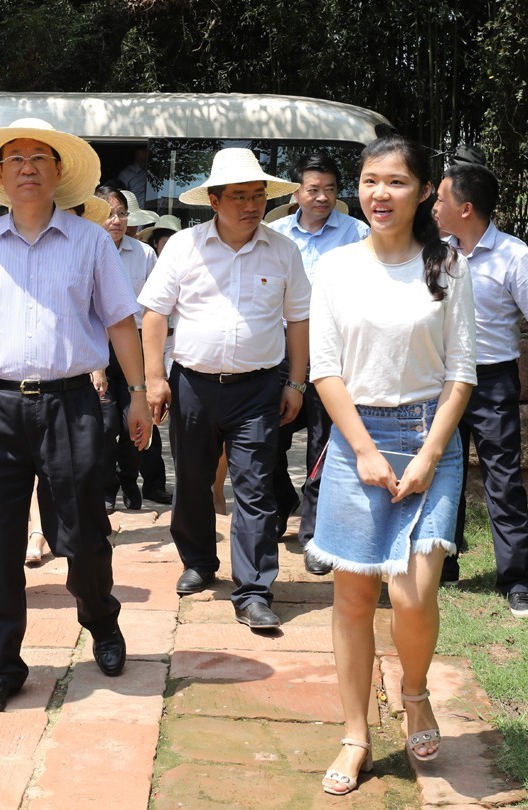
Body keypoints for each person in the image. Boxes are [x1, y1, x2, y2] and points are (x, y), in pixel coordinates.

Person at [0, 118, 152, 717]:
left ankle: (100, 622)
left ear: (59, 172)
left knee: (83, 532)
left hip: (73, 404)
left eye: (39, 158)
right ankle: (1, 667)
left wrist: (136, 392)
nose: (27, 166)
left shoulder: (89, 242)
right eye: (15, 159)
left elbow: (118, 323)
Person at [305, 135, 476, 795]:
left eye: (398, 182)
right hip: (357, 440)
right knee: (351, 596)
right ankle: (354, 734)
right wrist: (366, 451)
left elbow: (463, 369)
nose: (382, 194)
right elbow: (325, 369)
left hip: (429, 434)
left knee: (413, 591)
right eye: (371, 181)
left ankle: (414, 690)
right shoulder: (337, 267)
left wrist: (432, 451)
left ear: (424, 190)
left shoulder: (447, 266)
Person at [138, 147, 310, 632]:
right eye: (239, 196)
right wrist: (154, 379)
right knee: (192, 480)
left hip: (259, 387)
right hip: (192, 383)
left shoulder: (283, 251)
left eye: (257, 195)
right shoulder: (185, 247)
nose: (250, 205)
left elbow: (298, 320)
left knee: (255, 486)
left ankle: (254, 589)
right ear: (214, 200)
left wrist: (296, 381)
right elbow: (154, 315)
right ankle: (198, 560)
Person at [433, 161, 528, 618]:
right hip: (442, 380)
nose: (435, 206)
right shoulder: (436, 252)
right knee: (443, 474)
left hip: (491, 380)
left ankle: (516, 580)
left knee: (501, 479)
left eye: (441, 199)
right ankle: (443, 562)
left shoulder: (513, 256)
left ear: (466, 208)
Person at [268, 153, 371, 576]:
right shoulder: (273, 235)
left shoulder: (356, 234)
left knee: (322, 447)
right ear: (297, 193)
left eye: (330, 189)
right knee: (265, 439)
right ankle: (280, 502)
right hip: (279, 354)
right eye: (313, 189)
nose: (322, 197)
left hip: (334, 356)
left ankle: (314, 535)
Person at [92, 185, 170, 511]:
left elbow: (156, 309)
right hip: (99, 347)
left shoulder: (144, 254)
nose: (117, 220)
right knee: (106, 423)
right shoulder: (88, 251)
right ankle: (107, 487)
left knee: (135, 421)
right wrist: (96, 365)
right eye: (109, 213)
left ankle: (129, 478)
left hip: (136, 345)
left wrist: (159, 361)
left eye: (122, 213)